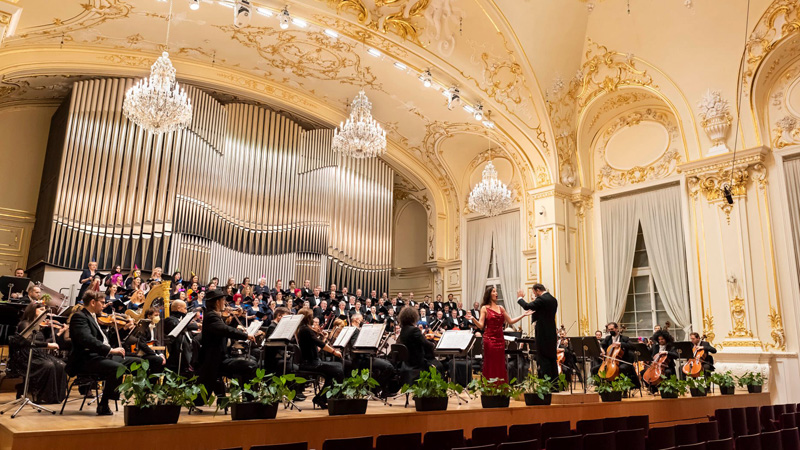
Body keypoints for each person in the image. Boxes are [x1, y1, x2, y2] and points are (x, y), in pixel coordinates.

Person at [67, 290, 141, 415]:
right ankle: (104, 404)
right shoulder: (79, 317)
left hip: (102, 357)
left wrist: (124, 330)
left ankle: (141, 400)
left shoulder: (95, 317)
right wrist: (110, 350)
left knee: (139, 363)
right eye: (102, 302)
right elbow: (86, 339)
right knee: (118, 368)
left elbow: (107, 340)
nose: (104, 305)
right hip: (86, 359)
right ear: (92, 302)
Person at [195, 289, 260, 405]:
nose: (225, 303)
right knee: (250, 365)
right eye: (223, 300)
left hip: (220, 358)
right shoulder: (211, 317)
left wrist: (237, 318)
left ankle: (248, 399)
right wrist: (245, 335)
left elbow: (225, 329)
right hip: (215, 362)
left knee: (251, 362)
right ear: (217, 302)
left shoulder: (214, 316)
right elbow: (225, 330)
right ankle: (249, 401)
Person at [468, 287, 531, 383]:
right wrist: (473, 318)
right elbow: (481, 326)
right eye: (494, 291)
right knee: (490, 364)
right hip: (489, 340)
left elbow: (510, 321)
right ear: (489, 294)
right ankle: (489, 387)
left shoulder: (501, 308)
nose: (496, 293)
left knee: (500, 364)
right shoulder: (484, 308)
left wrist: (523, 315)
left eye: (496, 291)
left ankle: (500, 387)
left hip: (500, 340)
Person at [8, 301, 68, 404]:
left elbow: (43, 342)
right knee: (48, 365)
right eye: (41, 310)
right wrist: (47, 345)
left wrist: (60, 332)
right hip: (25, 355)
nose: (44, 312)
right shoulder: (25, 324)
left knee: (61, 365)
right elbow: (27, 342)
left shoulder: (39, 325)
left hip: (37, 353)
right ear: (32, 311)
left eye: (45, 310)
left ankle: (54, 397)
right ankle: (42, 396)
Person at [296, 307, 343, 409]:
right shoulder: (306, 330)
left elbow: (315, 345)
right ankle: (325, 397)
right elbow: (320, 344)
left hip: (311, 361)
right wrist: (334, 352)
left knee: (335, 371)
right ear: (308, 318)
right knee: (339, 368)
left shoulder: (303, 329)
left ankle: (322, 397)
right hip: (311, 363)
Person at [516, 284, 558, 380]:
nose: (535, 295)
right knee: (552, 358)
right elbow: (541, 311)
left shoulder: (542, 299)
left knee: (543, 358)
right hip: (551, 331)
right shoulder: (553, 299)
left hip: (543, 332)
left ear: (538, 290)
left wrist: (519, 298)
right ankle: (555, 384)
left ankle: (547, 383)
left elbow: (527, 306)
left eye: (534, 293)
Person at [396, 306, 442, 379]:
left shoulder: (403, 330)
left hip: (407, 362)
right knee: (439, 368)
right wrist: (433, 344)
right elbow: (426, 344)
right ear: (413, 317)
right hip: (417, 363)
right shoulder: (414, 330)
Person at [163, 300, 198, 375]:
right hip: (176, 353)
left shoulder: (180, 320)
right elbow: (179, 327)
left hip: (185, 351)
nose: (186, 310)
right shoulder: (170, 320)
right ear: (179, 308)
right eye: (185, 308)